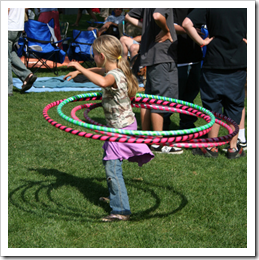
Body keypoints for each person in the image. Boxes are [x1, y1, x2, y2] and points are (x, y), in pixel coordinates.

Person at [63, 35, 154, 222]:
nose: (93, 57)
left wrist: (80, 67)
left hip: (120, 129)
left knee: (112, 167)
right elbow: (100, 70)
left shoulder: (114, 75)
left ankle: (121, 210)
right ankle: (116, 196)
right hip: (119, 126)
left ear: (102, 56)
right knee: (110, 164)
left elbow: (104, 81)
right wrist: (82, 72)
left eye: (94, 54)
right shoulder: (117, 68)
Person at [182, 8, 247, 159]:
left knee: (212, 104)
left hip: (214, 61)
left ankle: (212, 147)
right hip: (238, 62)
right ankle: (232, 148)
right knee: (235, 105)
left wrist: (201, 42)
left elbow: (186, 23)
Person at [125, 8, 183, 154]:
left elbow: (128, 16)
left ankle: (147, 137)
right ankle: (158, 143)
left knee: (149, 98)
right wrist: (166, 30)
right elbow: (157, 16)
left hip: (151, 55)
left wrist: (147, 29)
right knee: (160, 100)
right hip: (162, 56)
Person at [173, 8, 203, 130]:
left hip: (195, 57)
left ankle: (187, 126)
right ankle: (162, 129)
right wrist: (190, 30)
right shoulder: (173, 7)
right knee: (173, 98)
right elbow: (170, 26)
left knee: (190, 97)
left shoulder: (197, 7)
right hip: (177, 59)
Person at [8, 8, 37, 96]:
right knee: (10, 52)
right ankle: (27, 75)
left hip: (8, 26)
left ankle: (7, 89)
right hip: (18, 27)